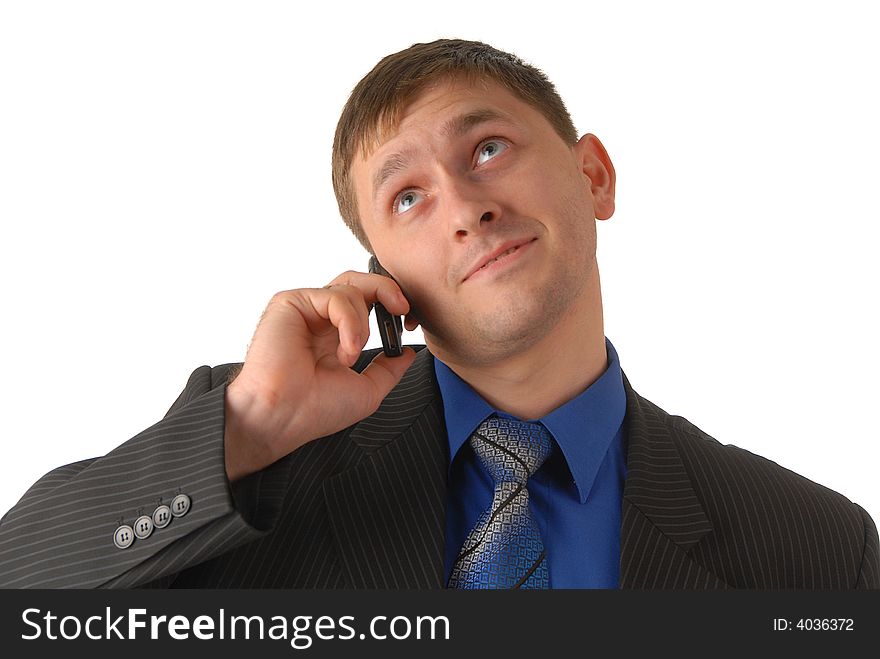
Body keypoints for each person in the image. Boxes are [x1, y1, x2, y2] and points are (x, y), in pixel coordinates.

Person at [0, 38, 876, 589]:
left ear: (594, 176)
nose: (464, 206)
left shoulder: (814, 547)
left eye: (487, 148)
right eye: (409, 198)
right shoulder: (261, 473)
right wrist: (253, 425)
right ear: (383, 275)